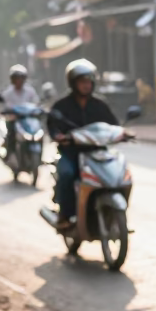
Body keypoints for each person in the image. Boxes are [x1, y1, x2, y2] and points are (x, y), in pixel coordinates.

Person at [47, 59, 119, 232]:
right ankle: (65, 215)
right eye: (82, 82)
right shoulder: (62, 105)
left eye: (89, 82)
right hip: (71, 153)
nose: (86, 86)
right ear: (73, 83)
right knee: (67, 174)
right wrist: (58, 136)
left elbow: (113, 124)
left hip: (96, 152)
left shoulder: (100, 105)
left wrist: (122, 133)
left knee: (115, 175)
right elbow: (52, 124)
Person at [0, 64, 41, 160]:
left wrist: (38, 109)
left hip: (27, 118)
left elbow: (36, 102)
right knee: (11, 134)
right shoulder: (9, 92)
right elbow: (4, 103)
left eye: (21, 78)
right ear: (12, 80)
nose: (19, 81)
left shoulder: (30, 91)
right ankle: (9, 153)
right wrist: (7, 110)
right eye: (16, 78)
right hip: (14, 118)